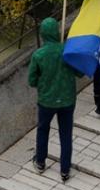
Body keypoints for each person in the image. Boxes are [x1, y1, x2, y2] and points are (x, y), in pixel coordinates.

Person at [28, 17, 77, 180]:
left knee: (43, 129)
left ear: (42, 33)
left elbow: (31, 81)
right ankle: (65, 169)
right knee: (66, 133)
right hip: (67, 100)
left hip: (46, 101)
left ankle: (40, 162)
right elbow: (80, 72)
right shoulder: (67, 51)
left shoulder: (38, 55)